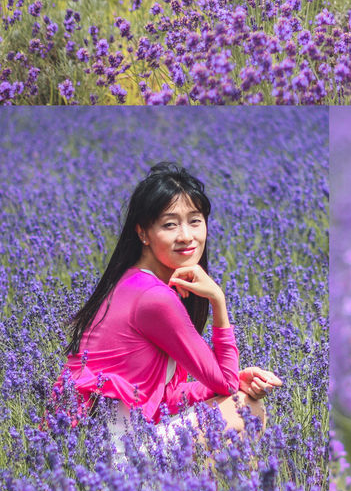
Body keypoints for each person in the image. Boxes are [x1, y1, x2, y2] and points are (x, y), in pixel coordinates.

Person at [55, 161, 282, 452]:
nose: (186, 236)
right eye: (170, 224)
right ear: (143, 233)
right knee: (245, 407)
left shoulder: (131, 281)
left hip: (95, 442)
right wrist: (218, 301)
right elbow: (223, 385)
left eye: (195, 221)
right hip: (115, 451)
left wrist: (237, 380)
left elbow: (164, 395)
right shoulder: (155, 298)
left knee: (235, 400)